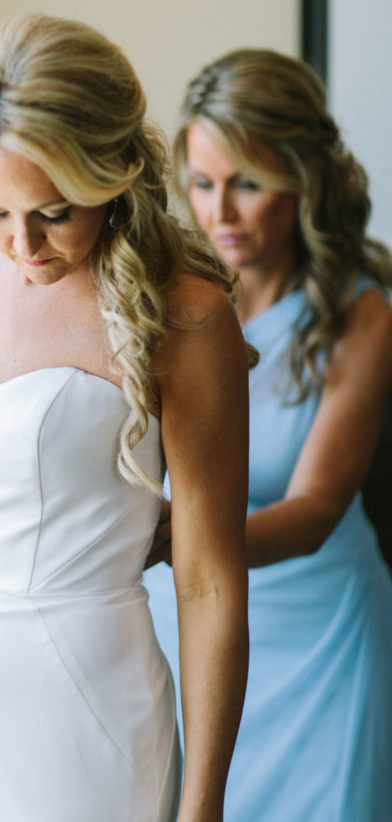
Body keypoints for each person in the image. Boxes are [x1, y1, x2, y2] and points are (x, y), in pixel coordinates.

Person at [0, 13, 250, 822]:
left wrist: (202, 809)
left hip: (77, 709)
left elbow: (207, 585)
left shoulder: (187, 318)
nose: (21, 246)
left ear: (113, 174)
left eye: (55, 212)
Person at [145, 48, 392, 822]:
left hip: (323, 642)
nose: (219, 211)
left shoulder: (360, 314)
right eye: (203, 183)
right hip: (185, 632)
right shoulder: (162, 298)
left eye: (248, 184)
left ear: (303, 181)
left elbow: (316, 508)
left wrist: (175, 538)